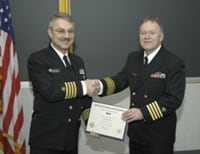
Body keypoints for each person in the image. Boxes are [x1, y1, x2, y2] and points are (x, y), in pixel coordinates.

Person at [95, 16, 186, 154]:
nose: (147, 37)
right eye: (143, 33)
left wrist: (143, 112)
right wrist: (99, 86)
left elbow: (173, 99)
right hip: (136, 134)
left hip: (158, 137)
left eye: (152, 33)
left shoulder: (173, 62)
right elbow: (121, 80)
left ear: (161, 37)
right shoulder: (133, 58)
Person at [27, 12, 99, 154]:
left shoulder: (78, 61)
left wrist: (91, 122)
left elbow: (84, 99)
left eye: (70, 31)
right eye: (61, 31)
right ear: (50, 33)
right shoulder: (38, 59)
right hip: (46, 141)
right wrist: (84, 86)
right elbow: (51, 92)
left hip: (70, 140)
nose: (66, 36)